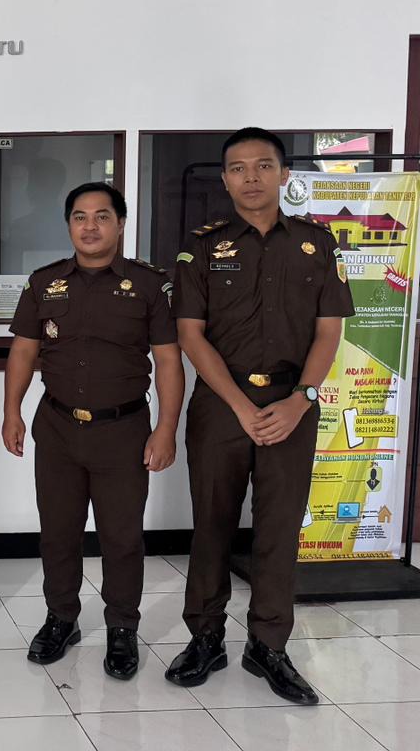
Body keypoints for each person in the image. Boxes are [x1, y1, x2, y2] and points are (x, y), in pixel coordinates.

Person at [165, 128, 352, 704]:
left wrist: (301, 400)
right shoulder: (202, 248)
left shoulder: (317, 245)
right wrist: (243, 406)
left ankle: (268, 646)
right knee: (212, 524)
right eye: (239, 168)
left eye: (263, 165)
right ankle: (206, 637)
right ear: (225, 179)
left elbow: (329, 331)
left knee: (279, 529)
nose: (251, 177)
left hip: (293, 405)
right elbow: (190, 335)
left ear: (284, 175)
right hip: (223, 407)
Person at [3, 182, 184, 679]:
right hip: (57, 427)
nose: (90, 226)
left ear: (120, 224)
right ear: (68, 225)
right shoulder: (44, 283)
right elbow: (23, 350)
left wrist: (167, 428)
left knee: (121, 537)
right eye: (79, 217)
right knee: (58, 533)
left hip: (123, 431)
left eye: (102, 216)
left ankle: (122, 627)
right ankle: (61, 618)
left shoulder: (150, 285)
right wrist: (12, 411)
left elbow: (169, 361)